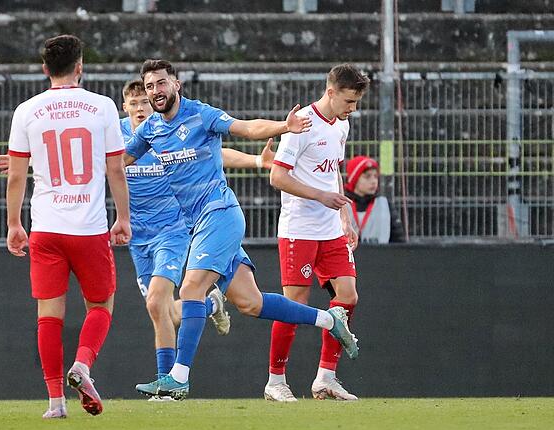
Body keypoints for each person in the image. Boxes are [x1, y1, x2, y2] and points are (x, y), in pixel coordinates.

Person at [125, 59, 359, 400]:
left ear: (176, 84)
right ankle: (329, 320)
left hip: (219, 214)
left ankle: (178, 377)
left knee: (190, 290)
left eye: (161, 84)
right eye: (150, 87)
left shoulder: (200, 114)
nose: (156, 91)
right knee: (251, 303)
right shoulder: (150, 131)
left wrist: (283, 126)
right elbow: (117, 161)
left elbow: (246, 128)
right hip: (200, 225)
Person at [120, 79, 278, 399]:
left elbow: (215, 152)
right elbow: (94, 165)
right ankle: (208, 305)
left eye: (145, 102)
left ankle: (170, 381)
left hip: (174, 230)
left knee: (156, 303)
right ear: (124, 107)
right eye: (133, 103)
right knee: (164, 311)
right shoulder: (122, 139)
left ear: (154, 105)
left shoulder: (163, 132)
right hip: (139, 238)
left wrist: (256, 161)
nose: (140, 108)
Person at [5, 35, 131, 419]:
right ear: (80, 66)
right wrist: (122, 218)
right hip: (89, 227)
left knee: (49, 314)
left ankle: (55, 403)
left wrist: (13, 224)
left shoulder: (26, 110)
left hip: (46, 228)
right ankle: (83, 365)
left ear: (45, 69)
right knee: (101, 305)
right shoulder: (102, 107)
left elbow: (15, 175)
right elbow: (115, 168)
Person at [264, 63, 369, 402]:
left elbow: (333, 171)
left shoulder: (342, 125)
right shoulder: (301, 126)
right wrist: (321, 196)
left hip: (330, 229)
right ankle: (275, 381)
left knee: (348, 296)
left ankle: (325, 378)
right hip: (299, 228)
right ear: (331, 92)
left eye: (355, 103)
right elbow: (277, 177)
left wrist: (344, 215)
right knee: (295, 304)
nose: (352, 109)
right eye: (349, 101)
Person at [343, 155, 404, 244]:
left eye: (375, 176)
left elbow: (399, 240)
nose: (373, 181)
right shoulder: (341, 205)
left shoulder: (385, 205)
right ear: (354, 179)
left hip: (380, 256)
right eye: (367, 177)